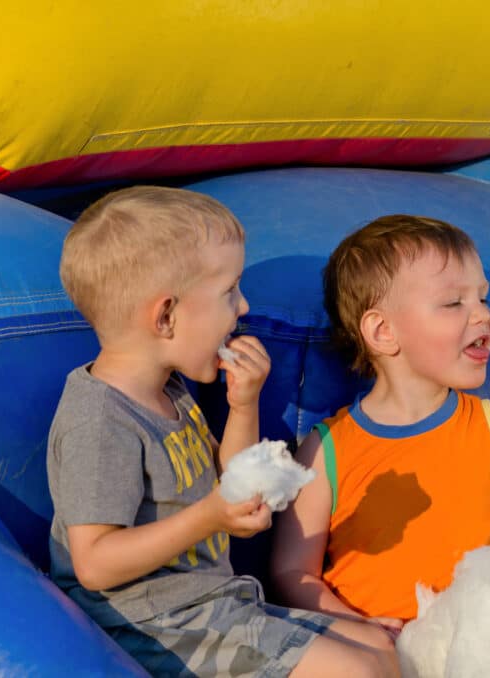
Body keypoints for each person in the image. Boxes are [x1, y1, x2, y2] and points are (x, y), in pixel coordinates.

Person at [47, 186, 399, 677]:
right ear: (166, 316)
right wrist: (209, 517)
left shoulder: (171, 391)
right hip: (153, 626)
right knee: (354, 672)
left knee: (377, 647)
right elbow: (94, 563)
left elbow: (231, 479)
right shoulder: (101, 418)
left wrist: (243, 404)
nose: (243, 305)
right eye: (229, 291)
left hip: (216, 608)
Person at [270, 214, 490, 635]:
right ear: (382, 331)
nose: (483, 316)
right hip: (379, 654)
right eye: (454, 303)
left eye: (484, 298)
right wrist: (358, 627)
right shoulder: (327, 450)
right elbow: (291, 572)